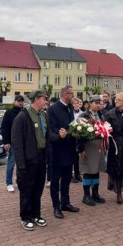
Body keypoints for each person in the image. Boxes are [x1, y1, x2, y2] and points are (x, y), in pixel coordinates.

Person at [13, 91, 51, 231]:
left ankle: (36, 215)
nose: (46, 101)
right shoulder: (22, 117)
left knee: (38, 188)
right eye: (44, 99)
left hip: (41, 158)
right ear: (36, 99)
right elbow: (17, 143)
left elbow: (47, 136)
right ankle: (26, 217)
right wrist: (21, 165)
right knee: (27, 189)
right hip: (28, 159)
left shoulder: (44, 115)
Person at [47, 85, 79, 218]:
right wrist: (60, 134)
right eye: (71, 94)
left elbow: (70, 125)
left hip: (69, 149)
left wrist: (77, 128)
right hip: (57, 150)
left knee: (66, 179)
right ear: (65, 94)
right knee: (55, 181)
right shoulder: (52, 109)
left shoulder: (70, 107)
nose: (73, 96)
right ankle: (56, 206)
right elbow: (51, 128)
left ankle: (65, 203)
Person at [76, 95, 107, 205]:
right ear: (90, 103)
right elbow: (78, 133)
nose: (98, 105)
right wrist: (81, 149)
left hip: (98, 146)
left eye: (99, 103)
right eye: (96, 103)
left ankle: (95, 193)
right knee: (88, 170)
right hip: (88, 146)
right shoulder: (83, 116)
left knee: (96, 169)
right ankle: (86, 195)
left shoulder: (101, 115)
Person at [1, 95, 25, 191]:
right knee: (11, 163)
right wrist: (6, 141)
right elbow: (4, 127)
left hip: (23, 142)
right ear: (15, 101)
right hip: (13, 142)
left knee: (21, 164)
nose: (20, 102)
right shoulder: (9, 113)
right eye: (19, 101)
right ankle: (9, 183)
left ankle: (19, 181)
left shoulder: (24, 112)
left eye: (22, 101)